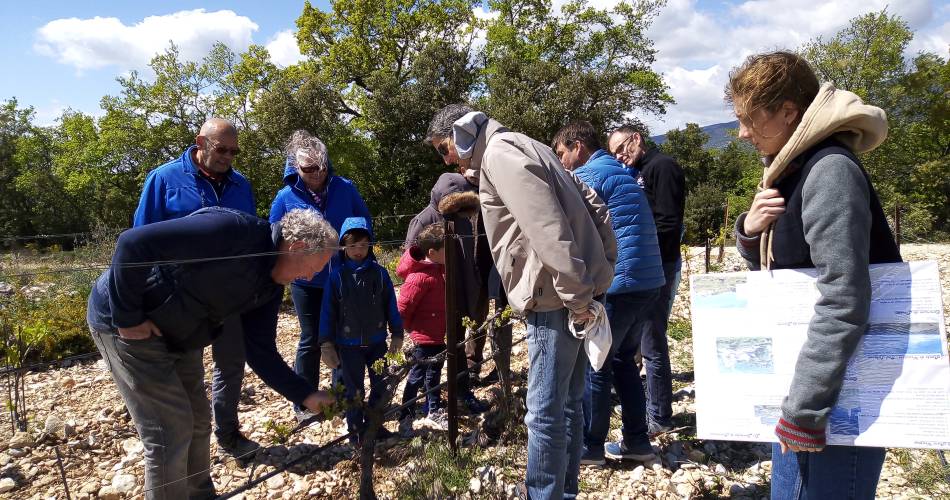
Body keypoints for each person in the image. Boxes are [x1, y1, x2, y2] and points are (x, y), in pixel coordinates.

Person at [726, 51, 900, 499]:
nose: (742, 132)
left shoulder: (828, 171)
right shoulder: (793, 169)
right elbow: (785, 273)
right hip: (811, 390)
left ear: (788, 111)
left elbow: (843, 297)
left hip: (833, 399)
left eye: (749, 118)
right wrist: (749, 230)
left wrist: (803, 412)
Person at [426, 105, 617, 499]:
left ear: (461, 134)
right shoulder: (526, 145)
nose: (446, 159)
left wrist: (578, 293)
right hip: (574, 289)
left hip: (554, 297)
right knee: (567, 403)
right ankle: (563, 490)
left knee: (544, 411)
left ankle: (543, 493)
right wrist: (602, 267)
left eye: (445, 148)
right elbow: (592, 200)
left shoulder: (500, 154)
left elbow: (547, 226)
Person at [86, 207, 337, 499]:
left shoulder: (270, 288)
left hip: (182, 334)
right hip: (127, 322)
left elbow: (261, 352)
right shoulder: (230, 231)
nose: (310, 277)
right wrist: (127, 317)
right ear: (297, 247)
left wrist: (305, 396)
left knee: (198, 419)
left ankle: (201, 495)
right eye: (314, 267)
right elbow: (133, 242)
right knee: (169, 429)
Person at [131, 117, 260, 459]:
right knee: (187, 368)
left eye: (234, 151)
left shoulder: (241, 185)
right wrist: (138, 302)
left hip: (226, 295)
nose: (228, 157)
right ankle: (186, 443)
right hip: (176, 298)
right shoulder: (163, 179)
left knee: (231, 363)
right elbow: (138, 240)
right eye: (221, 149)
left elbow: (249, 238)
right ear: (200, 142)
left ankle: (229, 434)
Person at [552, 121, 666, 466]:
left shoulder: (590, 176)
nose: (562, 163)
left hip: (622, 282)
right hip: (650, 280)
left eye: (562, 154)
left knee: (596, 362)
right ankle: (637, 442)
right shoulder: (620, 172)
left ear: (577, 147)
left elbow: (566, 224)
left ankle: (590, 447)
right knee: (623, 360)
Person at [269, 130, 371, 422]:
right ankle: (304, 401)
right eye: (309, 168)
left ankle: (342, 395)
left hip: (342, 276)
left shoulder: (345, 188)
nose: (317, 173)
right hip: (306, 281)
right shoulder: (285, 196)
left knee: (344, 333)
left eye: (322, 166)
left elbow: (365, 222)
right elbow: (274, 236)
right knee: (310, 337)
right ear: (296, 168)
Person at [607, 122, 685, 434]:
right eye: (614, 154)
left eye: (622, 148)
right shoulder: (636, 171)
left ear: (637, 138)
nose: (620, 156)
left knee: (652, 342)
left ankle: (659, 417)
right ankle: (645, 409)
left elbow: (668, 220)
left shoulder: (661, 166)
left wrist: (642, 247)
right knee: (636, 342)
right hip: (644, 267)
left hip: (660, 265)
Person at [403, 173, 488, 414]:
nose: (459, 208)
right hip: (432, 303)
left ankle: (461, 391)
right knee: (429, 354)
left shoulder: (463, 218)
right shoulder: (424, 220)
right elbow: (408, 265)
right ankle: (419, 401)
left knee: (458, 347)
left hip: (459, 296)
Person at [317, 216, 403, 444]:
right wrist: (326, 343)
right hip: (348, 345)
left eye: (363, 245)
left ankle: (375, 425)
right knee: (353, 391)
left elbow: (391, 306)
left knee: (381, 385)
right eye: (352, 245)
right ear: (344, 246)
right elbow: (327, 312)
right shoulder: (336, 277)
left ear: (370, 245)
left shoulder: (380, 274)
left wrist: (397, 333)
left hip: (377, 342)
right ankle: (355, 431)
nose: (358, 250)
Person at [396, 223, 450, 435]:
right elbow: (404, 307)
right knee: (417, 376)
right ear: (432, 253)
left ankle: (433, 409)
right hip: (423, 337)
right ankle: (406, 415)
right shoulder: (419, 277)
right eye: (447, 250)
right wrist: (405, 331)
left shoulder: (440, 270)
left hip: (437, 333)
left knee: (434, 375)